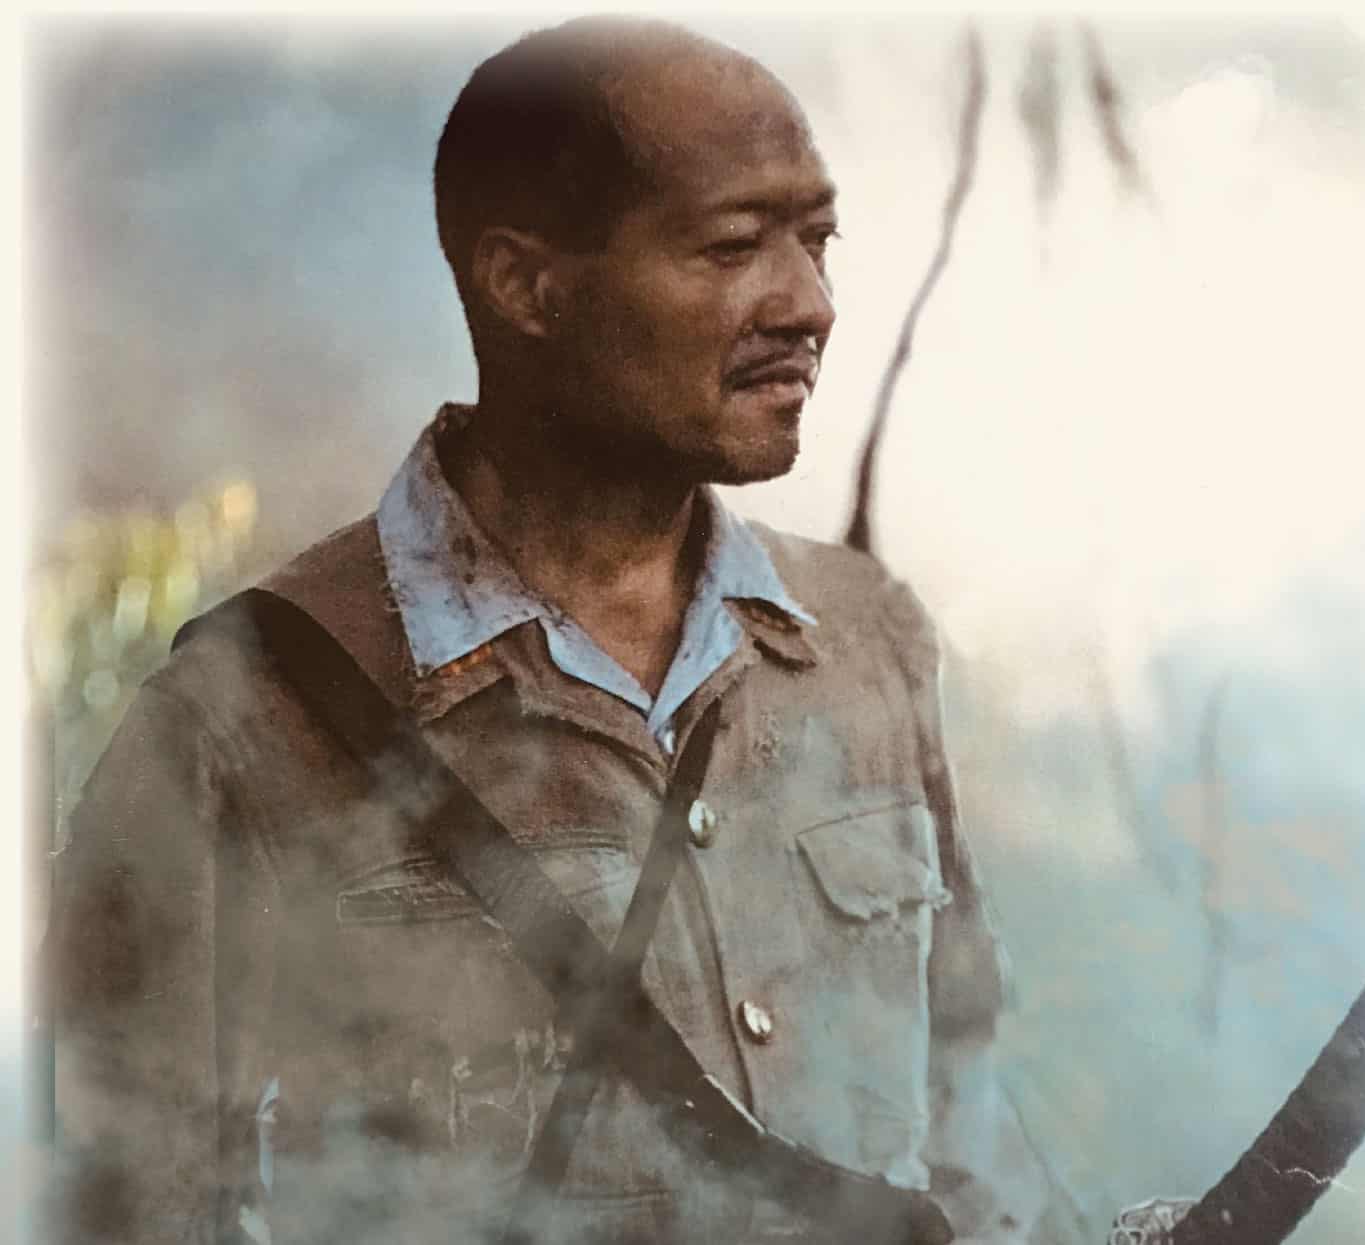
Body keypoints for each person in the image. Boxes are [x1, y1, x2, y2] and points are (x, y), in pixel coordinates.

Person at [48, 17, 1082, 1244]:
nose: (808, 304)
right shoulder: (230, 727)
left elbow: (971, 1133)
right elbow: (123, 1209)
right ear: (526, 286)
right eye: (732, 246)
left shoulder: (866, 645)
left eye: (817, 241)